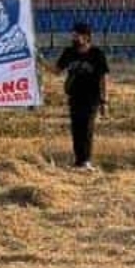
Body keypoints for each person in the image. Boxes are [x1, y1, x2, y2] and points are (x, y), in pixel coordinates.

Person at [55, 21, 109, 171]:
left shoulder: (97, 54)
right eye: (72, 35)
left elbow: (103, 78)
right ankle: (79, 161)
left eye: (76, 36)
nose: (73, 38)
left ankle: (86, 161)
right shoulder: (69, 52)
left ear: (86, 37)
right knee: (76, 129)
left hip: (92, 98)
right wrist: (38, 60)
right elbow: (56, 71)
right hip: (74, 97)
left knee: (87, 128)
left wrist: (104, 101)